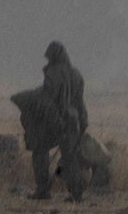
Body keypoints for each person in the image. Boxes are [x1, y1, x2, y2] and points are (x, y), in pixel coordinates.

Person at [10, 41, 88, 201]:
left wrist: (54, 122)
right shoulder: (77, 75)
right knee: (71, 157)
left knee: (40, 152)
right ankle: (76, 194)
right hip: (73, 122)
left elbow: (48, 100)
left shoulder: (52, 73)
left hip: (53, 121)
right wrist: (82, 124)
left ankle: (43, 191)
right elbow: (80, 104)